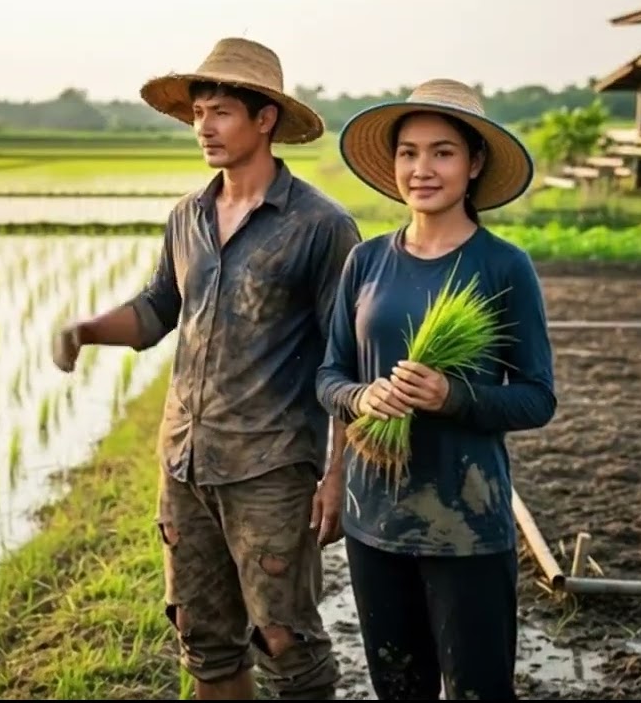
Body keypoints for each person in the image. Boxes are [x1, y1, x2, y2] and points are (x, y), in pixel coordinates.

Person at [51, 37, 362, 700]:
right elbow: (157, 309)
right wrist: (85, 329)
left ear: (265, 119)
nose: (204, 127)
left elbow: (350, 361)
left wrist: (336, 477)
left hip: (272, 470)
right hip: (185, 463)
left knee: (286, 640)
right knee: (202, 635)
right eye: (198, 113)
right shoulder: (187, 216)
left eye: (221, 111)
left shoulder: (320, 227)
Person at [314, 78, 557, 700]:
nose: (422, 169)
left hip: (467, 524)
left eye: (443, 152)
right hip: (375, 524)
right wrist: (361, 398)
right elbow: (329, 374)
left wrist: (453, 396)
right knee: (399, 688)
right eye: (409, 152)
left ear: (474, 164)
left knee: (479, 690)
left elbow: (536, 397)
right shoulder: (366, 261)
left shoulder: (503, 266)